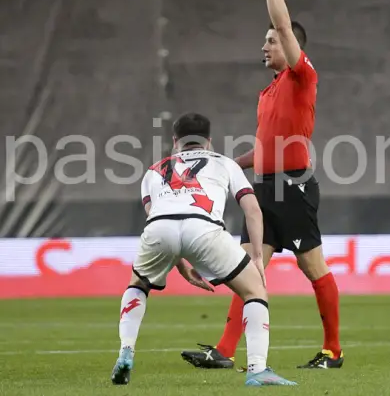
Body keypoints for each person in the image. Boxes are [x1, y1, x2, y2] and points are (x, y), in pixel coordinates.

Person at [180, 0, 343, 371]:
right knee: (246, 269)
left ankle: (333, 352)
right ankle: (225, 352)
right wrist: (227, 164)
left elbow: (284, 24)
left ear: (291, 47)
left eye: (271, 40)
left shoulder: (301, 76)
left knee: (313, 267)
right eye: (265, 40)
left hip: (294, 184)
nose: (265, 45)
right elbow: (264, 150)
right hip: (266, 187)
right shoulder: (268, 93)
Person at [111, 113, 296, 387]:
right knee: (255, 290)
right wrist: (257, 256)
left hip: (159, 230)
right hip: (205, 229)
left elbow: (161, 220)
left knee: (137, 285)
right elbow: (252, 209)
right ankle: (257, 370)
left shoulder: (153, 171)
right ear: (208, 141)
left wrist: (181, 263)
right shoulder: (225, 163)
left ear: (175, 142)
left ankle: (126, 350)